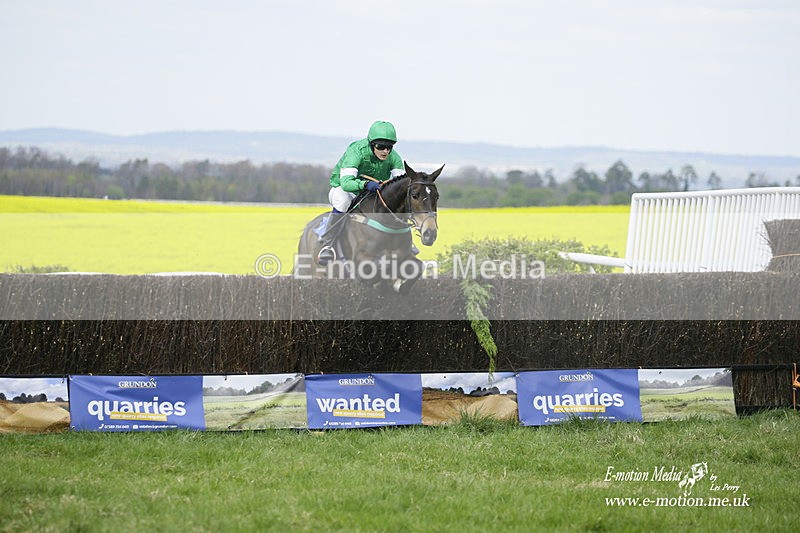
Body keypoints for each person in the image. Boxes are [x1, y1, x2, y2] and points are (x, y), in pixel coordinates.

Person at [317, 120, 406, 265]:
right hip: (345, 189)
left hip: (372, 192)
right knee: (343, 201)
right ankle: (327, 245)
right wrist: (365, 184)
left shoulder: (394, 157)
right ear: (371, 144)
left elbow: (401, 184)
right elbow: (346, 183)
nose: (385, 151)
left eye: (389, 147)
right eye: (380, 146)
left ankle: (404, 242)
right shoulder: (356, 151)